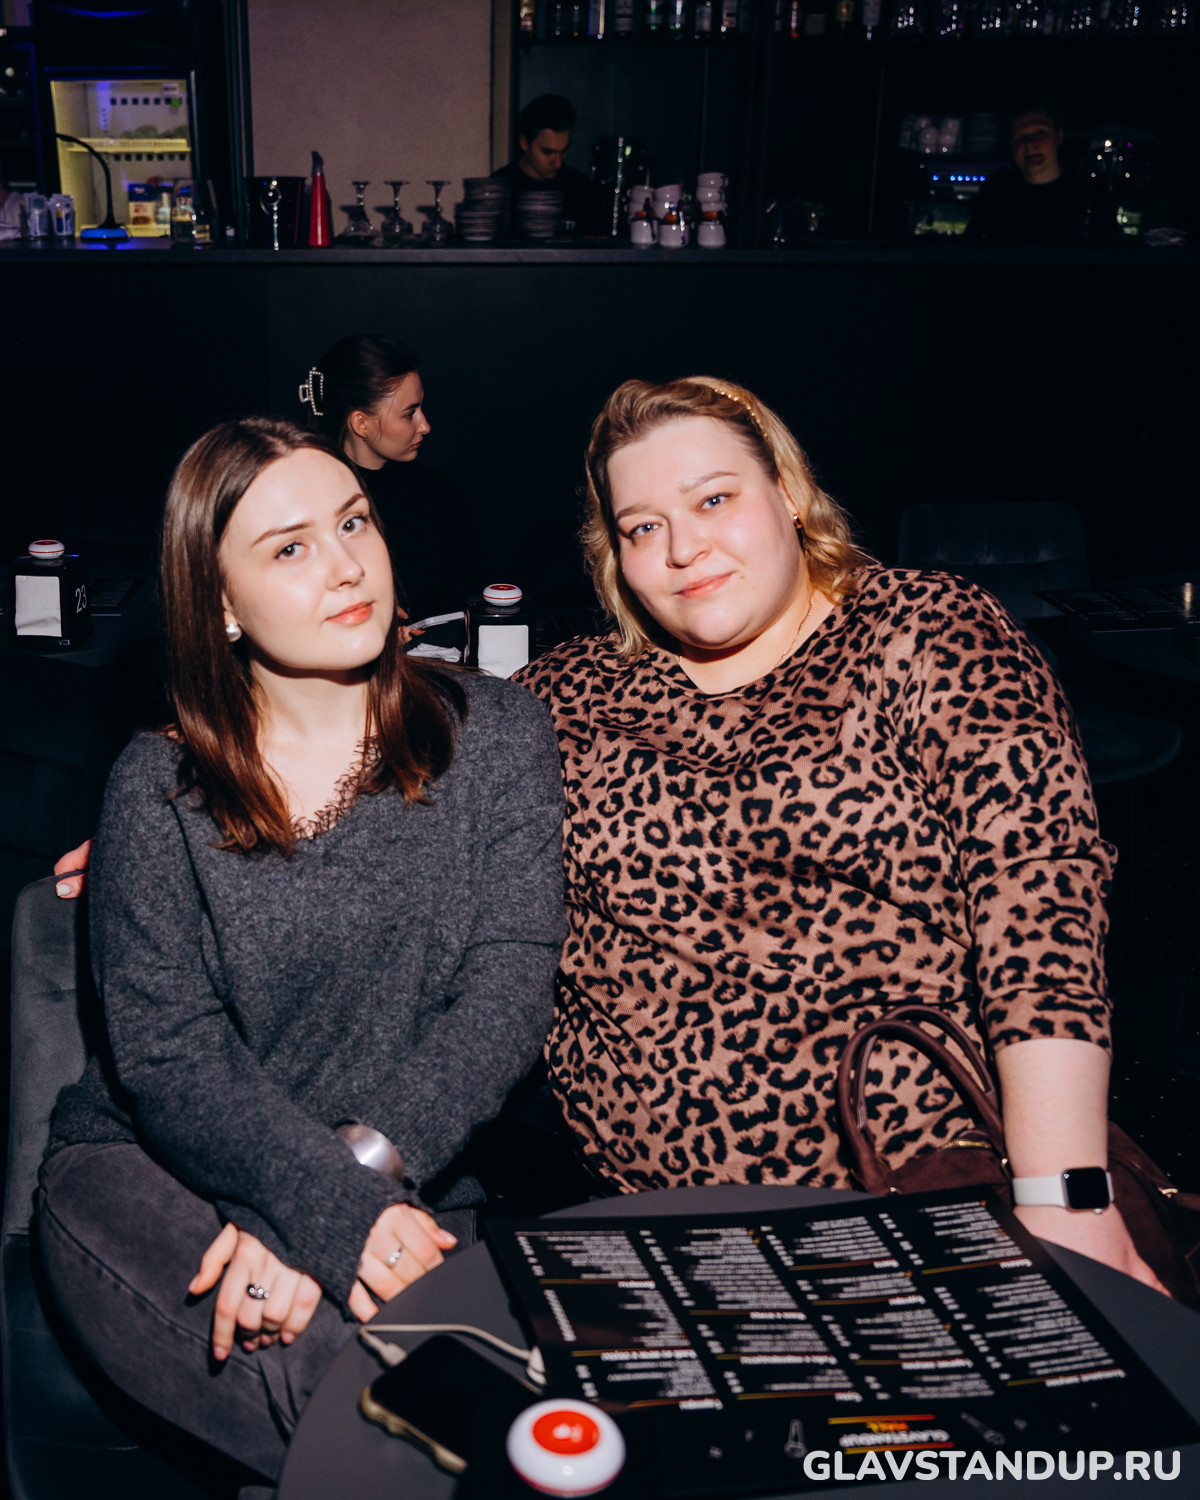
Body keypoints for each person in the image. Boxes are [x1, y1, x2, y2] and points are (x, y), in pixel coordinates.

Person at [515, 374, 1165, 1293]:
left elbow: (1039, 904)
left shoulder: (926, 632)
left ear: (788, 492)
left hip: (914, 1204)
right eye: (642, 527)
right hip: (648, 1232)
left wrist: (1063, 1197)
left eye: (713, 500)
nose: (683, 548)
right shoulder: (567, 695)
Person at [37, 416, 566, 1481]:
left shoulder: (500, 733)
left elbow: (505, 997)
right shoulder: (158, 786)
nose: (345, 564)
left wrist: (326, 1201)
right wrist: (311, 1207)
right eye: (289, 547)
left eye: (354, 522)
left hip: (413, 1173)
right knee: (373, 1404)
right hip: (150, 1172)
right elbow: (171, 1060)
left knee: (508, 1416)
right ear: (221, 605)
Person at [299, 333, 482, 623]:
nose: (425, 425)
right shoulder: (314, 506)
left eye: (420, 408)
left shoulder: (440, 493)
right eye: (409, 414)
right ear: (361, 424)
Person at [967, 99, 1094, 242]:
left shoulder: (1086, 192)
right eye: (1020, 138)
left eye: (1040, 133)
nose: (1030, 144)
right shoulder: (996, 192)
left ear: (1058, 136)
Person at [492, 93, 603, 235]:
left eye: (563, 151)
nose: (557, 163)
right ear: (524, 142)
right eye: (547, 152)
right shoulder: (497, 191)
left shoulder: (581, 189)